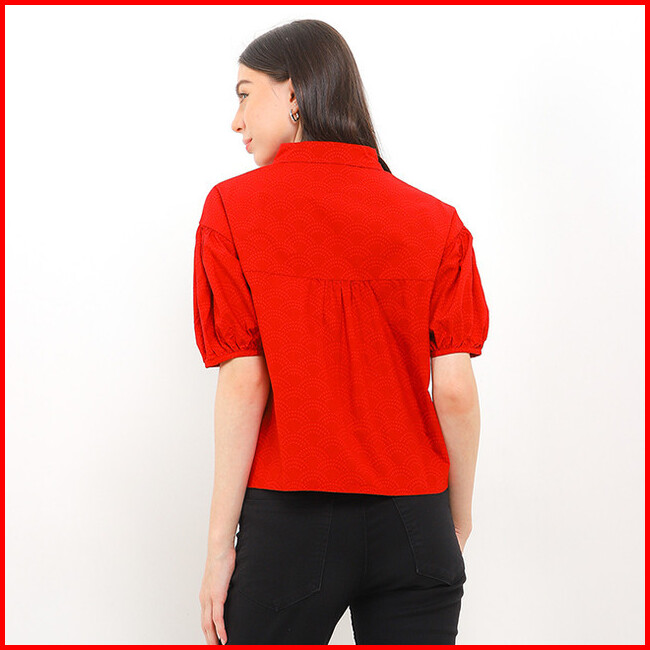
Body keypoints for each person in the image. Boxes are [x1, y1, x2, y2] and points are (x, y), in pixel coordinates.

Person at [193, 19, 489, 646]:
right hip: (416, 522)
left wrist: (220, 549)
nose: (236, 121)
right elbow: (455, 390)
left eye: (245, 94)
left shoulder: (232, 209)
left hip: (290, 519)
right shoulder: (438, 223)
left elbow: (245, 383)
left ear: (294, 92)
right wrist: (455, 516)